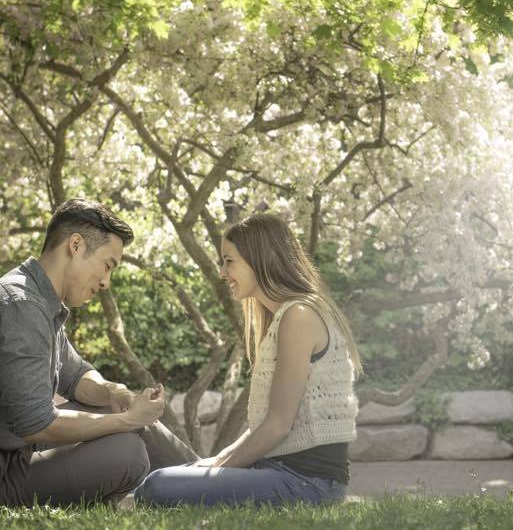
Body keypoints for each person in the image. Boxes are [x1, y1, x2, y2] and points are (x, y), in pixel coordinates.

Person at [0, 199, 197, 509]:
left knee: (128, 424)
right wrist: (126, 420)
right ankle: (211, 485)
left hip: (1, 465)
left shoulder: (34, 299)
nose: (106, 281)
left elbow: (75, 376)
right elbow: (37, 424)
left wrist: (115, 393)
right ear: (75, 245)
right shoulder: (20, 306)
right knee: (126, 453)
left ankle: (210, 481)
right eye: (107, 265)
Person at [134, 213, 361, 507]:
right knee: (162, 479)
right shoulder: (283, 317)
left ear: (261, 259)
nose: (222, 272)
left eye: (230, 261)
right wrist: (213, 463)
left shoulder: (299, 316)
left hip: (309, 483)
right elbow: (263, 429)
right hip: (277, 470)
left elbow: (278, 425)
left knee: (157, 486)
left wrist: (216, 472)